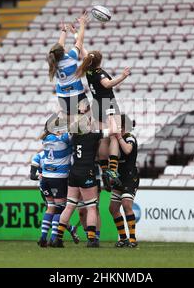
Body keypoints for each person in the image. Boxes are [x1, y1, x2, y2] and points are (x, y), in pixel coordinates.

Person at [52, 113, 112, 248]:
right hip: (87, 173)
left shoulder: (74, 136)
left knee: (69, 206)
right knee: (91, 207)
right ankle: (91, 239)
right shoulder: (93, 136)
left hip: (73, 173)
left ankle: (58, 238)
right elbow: (112, 131)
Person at [76, 51, 131, 187]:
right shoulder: (99, 73)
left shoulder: (88, 69)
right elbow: (107, 84)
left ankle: (104, 169)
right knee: (114, 136)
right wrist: (123, 77)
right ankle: (112, 170)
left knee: (103, 137)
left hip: (97, 106)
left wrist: (76, 34)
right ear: (100, 61)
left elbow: (84, 51)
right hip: (108, 104)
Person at [35, 116, 78, 247]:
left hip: (45, 178)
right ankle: (54, 239)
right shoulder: (64, 138)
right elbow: (75, 138)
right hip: (58, 178)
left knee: (50, 207)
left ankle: (43, 237)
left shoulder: (46, 139)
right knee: (60, 210)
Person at [47, 13, 90, 119]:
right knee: (86, 120)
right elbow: (80, 40)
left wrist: (64, 31)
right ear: (62, 51)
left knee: (71, 124)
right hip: (76, 93)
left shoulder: (53, 59)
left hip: (62, 95)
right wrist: (82, 24)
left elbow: (59, 46)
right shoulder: (70, 57)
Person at [109, 114, 140, 248]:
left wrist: (119, 137)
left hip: (129, 177)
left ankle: (132, 238)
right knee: (113, 208)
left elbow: (127, 150)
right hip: (119, 177)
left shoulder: (129, 138)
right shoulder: (114, 139)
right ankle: (123, 238)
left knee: (127, 205)